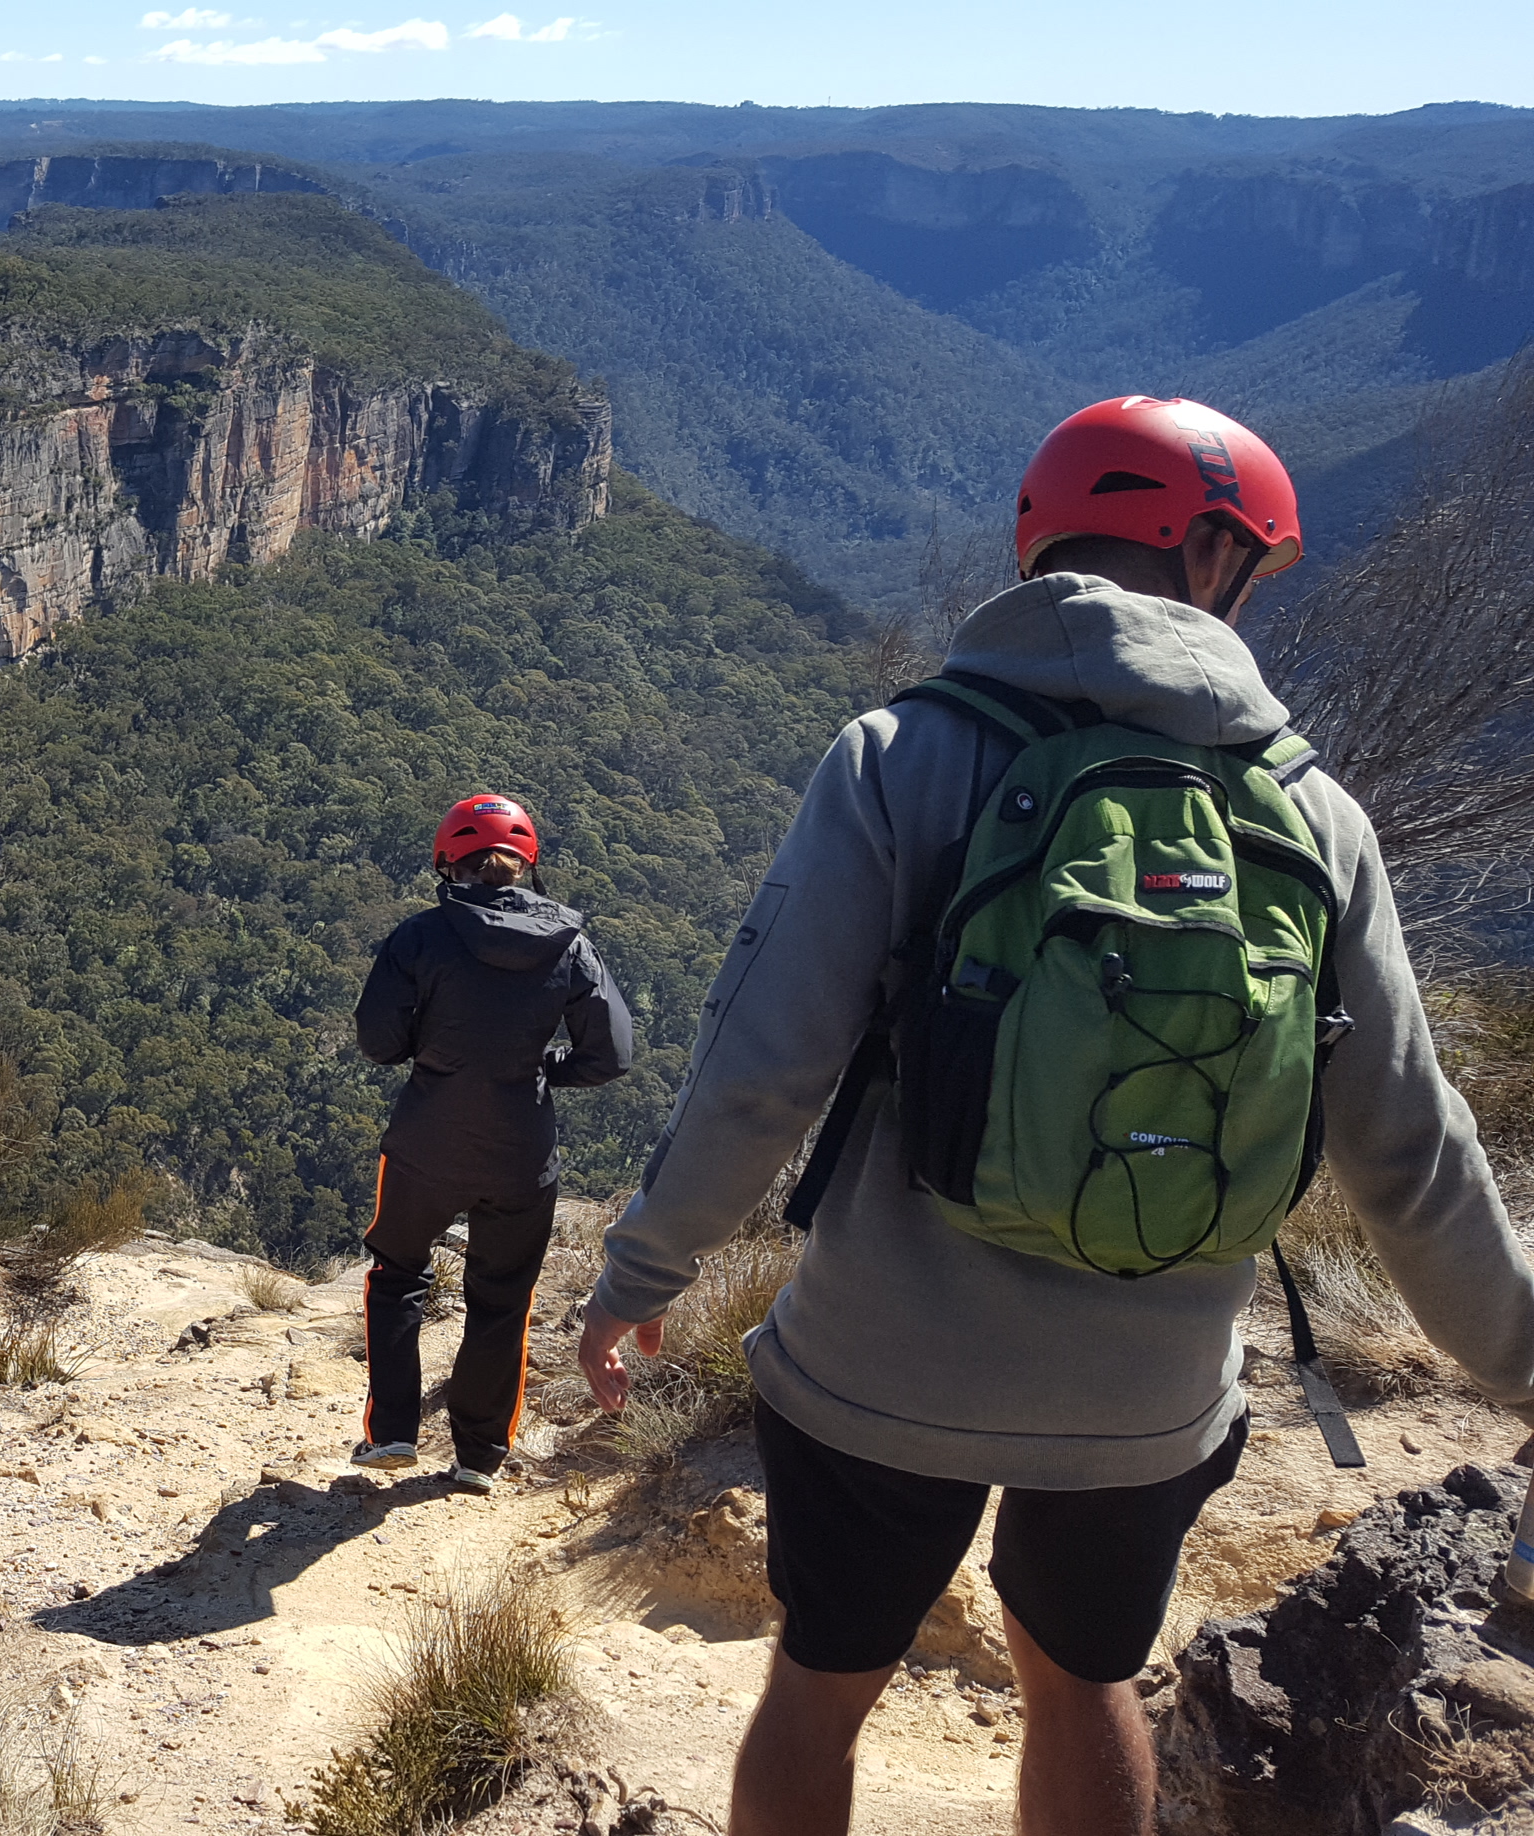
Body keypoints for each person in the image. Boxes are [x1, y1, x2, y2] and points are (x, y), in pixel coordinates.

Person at [576, 396, 1534, 1836]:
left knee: (824, 1682)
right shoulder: (1312, 813)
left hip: (878, 1363)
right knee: (1084, 1688)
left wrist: (642, 1269)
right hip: (1146, 1394)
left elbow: (761, 1066)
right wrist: (1520, 1361)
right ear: (1206, 554)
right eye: (1246, 564)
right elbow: (1408, 1143)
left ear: (1043, 538)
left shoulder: (900, 755)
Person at [351, 793, 633, 1489]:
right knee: (502, 1298)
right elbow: (611, 1056)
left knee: (397, 1276)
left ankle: (390, 1433)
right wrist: (538, 1071)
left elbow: (378, 1041)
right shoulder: (570, 945)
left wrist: (436, 1051)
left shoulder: (420, 937)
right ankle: (478, 1458)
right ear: (525, 865)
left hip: (425, 1142)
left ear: (449, 861)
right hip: (521, 1154)